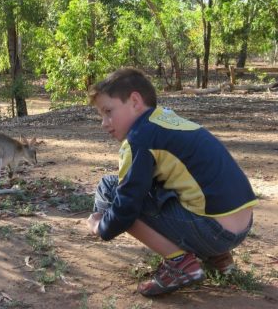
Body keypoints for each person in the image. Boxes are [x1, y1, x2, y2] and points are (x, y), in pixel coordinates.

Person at [86, 68, 257, 296]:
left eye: (108, 111)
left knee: (110, 189)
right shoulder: (166, 119)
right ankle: (219, 258)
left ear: (135, 101)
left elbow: (125, 207)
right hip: (242, 226)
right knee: (168, 183)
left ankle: (180, 264)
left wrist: (102, 226)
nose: (104, 123)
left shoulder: (139, 140)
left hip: (213, 230)